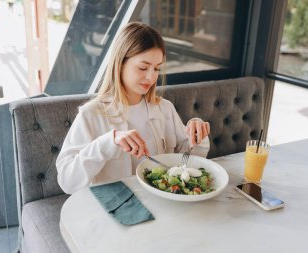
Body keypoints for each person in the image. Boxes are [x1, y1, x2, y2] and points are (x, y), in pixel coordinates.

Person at [56, 22, 211, 194]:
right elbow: (67, 181)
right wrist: (108, 142)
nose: (151, 77)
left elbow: (187, 162)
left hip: (163, 202)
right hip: (117, 207)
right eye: (143, 67)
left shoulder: (165, 109)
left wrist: (197, 134)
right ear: (120, 63)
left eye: (156, 68)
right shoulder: (90, 115)